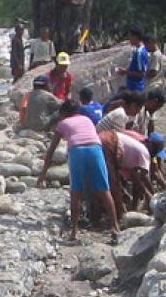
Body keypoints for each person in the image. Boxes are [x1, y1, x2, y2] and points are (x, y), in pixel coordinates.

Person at [37, 100, 120, 241]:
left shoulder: (63, 124)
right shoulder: (87, 119)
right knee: (104, 191)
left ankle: (75, 231)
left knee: (76, 192)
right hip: (96, 149)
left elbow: (51, 151)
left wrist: (42, 174)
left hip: (77, 150)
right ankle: (115, 227)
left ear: (64, 113)